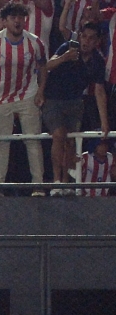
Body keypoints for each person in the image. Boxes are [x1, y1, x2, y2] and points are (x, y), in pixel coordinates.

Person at [0, 1, 47, 194]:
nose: (17, 21)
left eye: (21, 17)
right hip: (0, 97)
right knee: (2, 141)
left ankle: (38, 184)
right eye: (13, 17)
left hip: (28, 94)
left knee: (32, 140)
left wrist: (41, 90)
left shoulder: (35, 42)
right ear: (5, 20)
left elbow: (43, 66)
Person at [43, 22, 108, 194]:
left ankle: (66, 184)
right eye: (84, 36)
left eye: (91, 38)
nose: (86, 41)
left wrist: (104, 123)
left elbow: (100, 92)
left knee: (71, 141)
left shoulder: (98, 61)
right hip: (53, 99)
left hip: (75, 102)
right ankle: (57, 182)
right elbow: (47, 66)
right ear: (79, 36)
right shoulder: (68, 47)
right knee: (59, 135)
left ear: (97, 42)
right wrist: (65, 57)